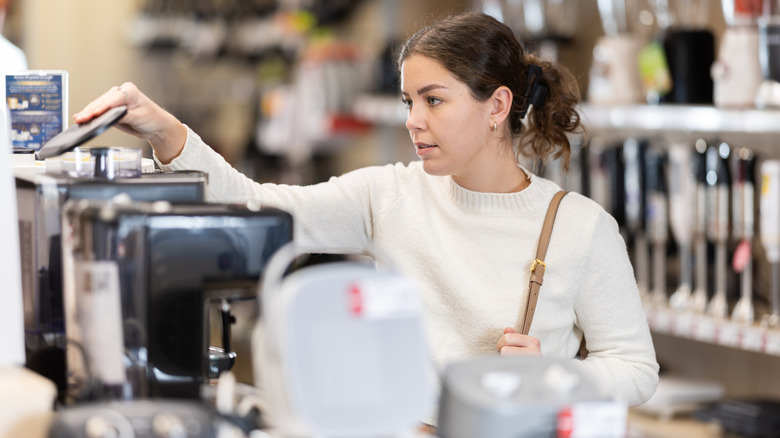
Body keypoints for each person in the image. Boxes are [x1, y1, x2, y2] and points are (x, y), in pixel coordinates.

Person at [75, 11, 658, 419]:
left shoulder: (580, 226)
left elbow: (635, 367)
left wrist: (559, 379)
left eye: (434, 100)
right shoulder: (389, 195)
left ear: (497, 106)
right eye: (409, 102)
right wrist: (169, 133)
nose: (413, 120)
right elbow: (259, 207)